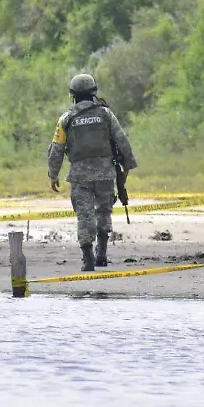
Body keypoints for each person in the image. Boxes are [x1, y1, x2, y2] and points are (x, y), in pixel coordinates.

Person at [47, 74, 137, 271]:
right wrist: (128, 165)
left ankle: (88, 258)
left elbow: (57, 149)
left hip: (79, 177)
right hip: (106, 174)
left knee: (84, 216)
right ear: (94, 92)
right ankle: (102, 254)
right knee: (104, 212)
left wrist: (53, 175)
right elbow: (122, 140)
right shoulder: (105, 114)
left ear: (73, 95)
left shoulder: (66, 118)